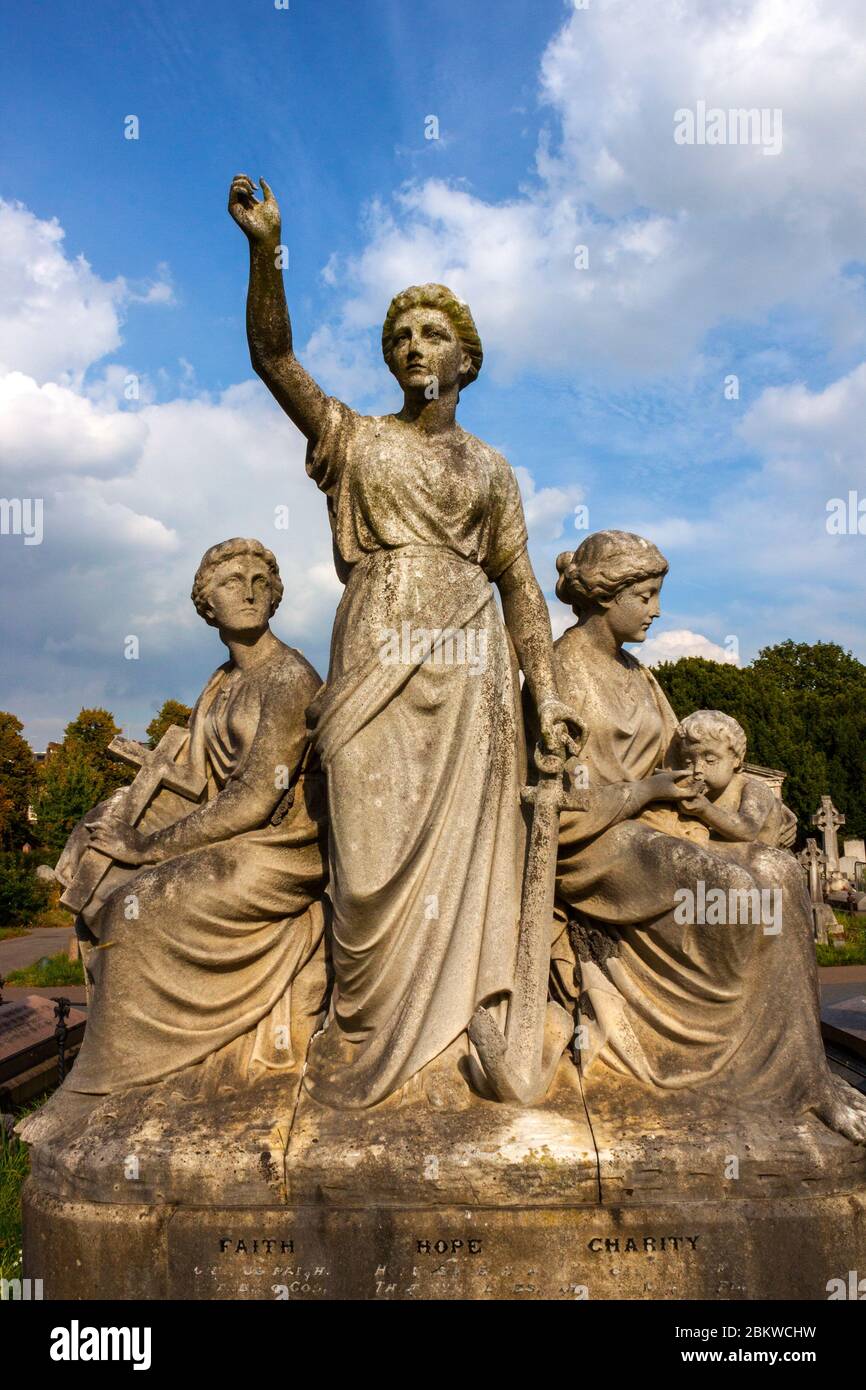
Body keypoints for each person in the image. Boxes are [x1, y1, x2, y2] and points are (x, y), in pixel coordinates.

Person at [229, 174, 580, 1108]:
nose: (412, 345)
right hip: (376, 651)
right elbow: (274, 357)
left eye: (431, 332)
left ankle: (467, 1041)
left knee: (472, 863)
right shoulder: (355, 439)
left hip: (472, 673)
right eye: (399, 335)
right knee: (367, 861)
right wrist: (267, 252)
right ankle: (369, 1039)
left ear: (466, 357)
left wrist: (547, 696)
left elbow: (521, 590)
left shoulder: (491, 468)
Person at [550, 530, 866, 1142]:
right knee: (737, 887)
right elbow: (554, 802)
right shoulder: (561, 672)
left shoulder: (638, 675)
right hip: (596, 843)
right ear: (606, 596)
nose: (656, 610)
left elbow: (690, 770)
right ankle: (757, 1072)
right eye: (644, 595)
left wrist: (748, 811)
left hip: (655, 830)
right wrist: (646, 793)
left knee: (777, 871)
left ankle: (802, 1074)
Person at [21, 538, 329, 1142]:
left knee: (140, 911)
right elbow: (189, 780)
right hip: (233, 838)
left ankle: (98, 1089)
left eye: (261, 579)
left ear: (276, 595)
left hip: (282, 847)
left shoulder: (288, 677)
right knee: (106, 896)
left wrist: (146, 848)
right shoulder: (220, 684)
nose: (248, 589)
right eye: (230, 580)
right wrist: (109, 820)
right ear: (205, 604)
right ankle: (132, 1073)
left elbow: (254, 798)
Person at [666, 709, 783, 846]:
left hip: (759, 862)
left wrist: (705, 810)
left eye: (710, 760)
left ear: (736, 759)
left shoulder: (754, 788)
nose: (697, 769)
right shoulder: (688, 793)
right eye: (688, 762)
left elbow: (748, 830)